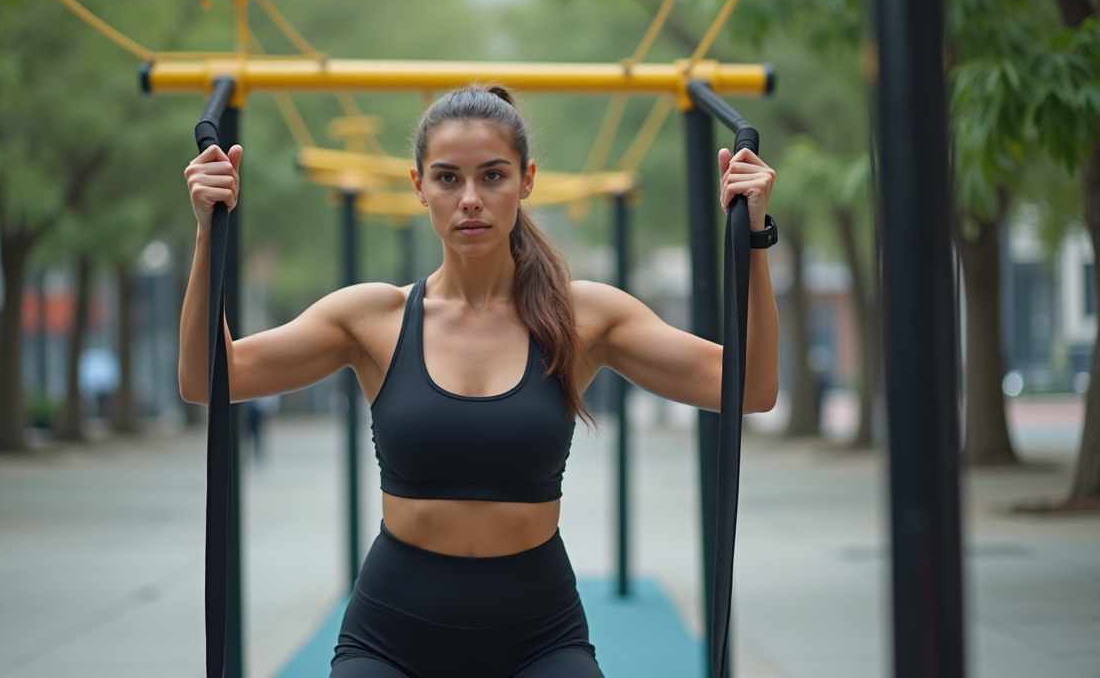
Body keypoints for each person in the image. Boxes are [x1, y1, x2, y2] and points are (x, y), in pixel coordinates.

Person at [179, 85, 779, 678]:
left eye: (493, 176)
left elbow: (750, 388)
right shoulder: (371, 319)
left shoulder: (583, 317)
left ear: (527, 180)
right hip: (392, 633)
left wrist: (753, 237)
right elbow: (210, 378)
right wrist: (208, 233)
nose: (470, 198)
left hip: (540, 635)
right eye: (447, 178)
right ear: (419, 187)